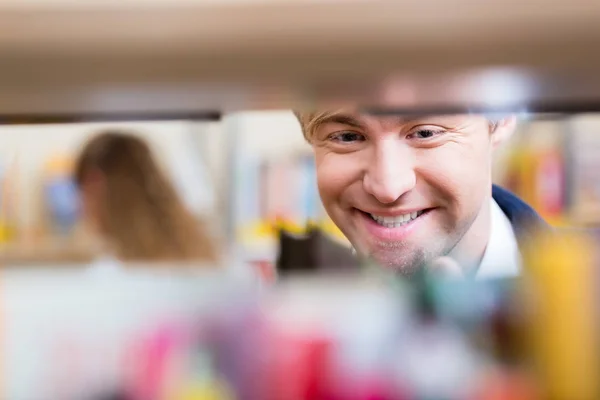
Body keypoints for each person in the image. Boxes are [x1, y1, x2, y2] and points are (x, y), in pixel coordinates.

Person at [295, 111, 547, 278]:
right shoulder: (284, 328)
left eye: (426, 133)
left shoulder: (586, 316)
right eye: (347, 137)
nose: (388, 189)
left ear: (502, 120)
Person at [74, 130, 217, 265]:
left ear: (94, 184)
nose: (80, 206)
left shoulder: (111, 274)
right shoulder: (204, 250)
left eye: (81, 193)